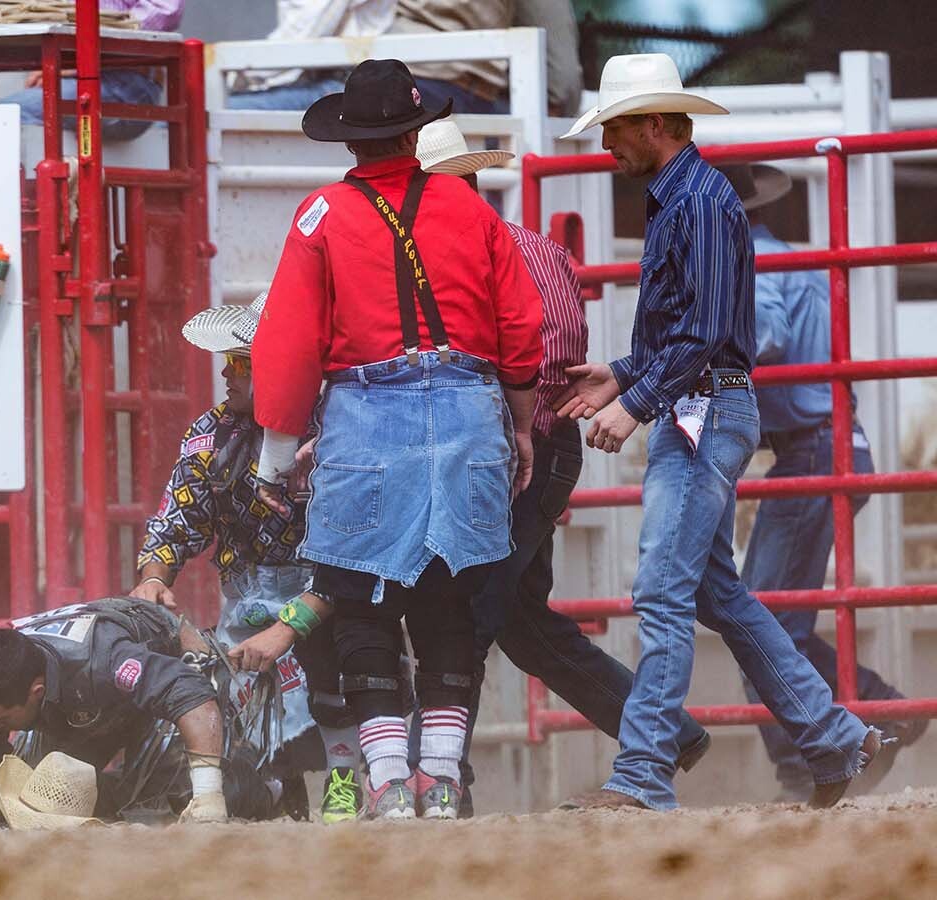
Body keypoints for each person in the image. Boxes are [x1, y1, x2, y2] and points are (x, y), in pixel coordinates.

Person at [554, 53, 877, 811]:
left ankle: (641, 776)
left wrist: (634, 398)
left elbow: (700, 332)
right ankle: (834, 737)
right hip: (707, 405)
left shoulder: (691, 205)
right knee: (712, 591)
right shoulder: (694, 198)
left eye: (617, 129)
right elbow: (700, 330)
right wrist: (624, 374)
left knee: (662, 593)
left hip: (699, 408)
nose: (609, 145)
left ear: (655, 124)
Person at [250, 59, 544, 821]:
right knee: (451, 600)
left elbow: (287, 345)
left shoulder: (320, 216)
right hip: (470, 410)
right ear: (417, 132)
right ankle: (440, 777)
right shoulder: (472, 212)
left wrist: (276, 458)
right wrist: (517, 423)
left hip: (366, 415)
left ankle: (385, 778)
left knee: (362, 601)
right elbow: (519, 325)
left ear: (349, 141)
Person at [716, 162, 927, 801]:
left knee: (762, 621)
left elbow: (770, 333)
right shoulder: (782, 254)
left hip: (811, 450)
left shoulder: (750, 257)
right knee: (780, 620)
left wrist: (701, 353)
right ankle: (880, 712)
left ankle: (815, 760)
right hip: (824, 444)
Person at [132, 293, 364, 824]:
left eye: (241, 364)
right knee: (240, 689)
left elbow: (355, 543)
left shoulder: (334, 431)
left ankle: (344, 784)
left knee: (332, 683)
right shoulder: (210, 437)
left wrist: (301, 615)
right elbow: (175, 521)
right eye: (228, 362)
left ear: (283, 369)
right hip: (248, 599)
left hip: (327, 594)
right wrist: (153, 577)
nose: (227, 375)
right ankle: (277, 789)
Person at [0, 598, 263, 828]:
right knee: (32, 801)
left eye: (2, 721)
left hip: (160, 672)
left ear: (35, 694)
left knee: (182, 800)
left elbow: (190, 695)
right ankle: (112, 794)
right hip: (77, 709)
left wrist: (208, 795)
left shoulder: (106, 660)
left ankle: (263, 783)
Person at [227, 0, 581, 116]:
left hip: (385, 86)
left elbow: (314, 22)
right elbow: (562, 81)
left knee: (224, 114)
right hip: (474, 103)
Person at [0, 0, 183, 141]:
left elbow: (164, 11)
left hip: (124, 83)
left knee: (2, 115)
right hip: (83, 81)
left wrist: (79, 59)